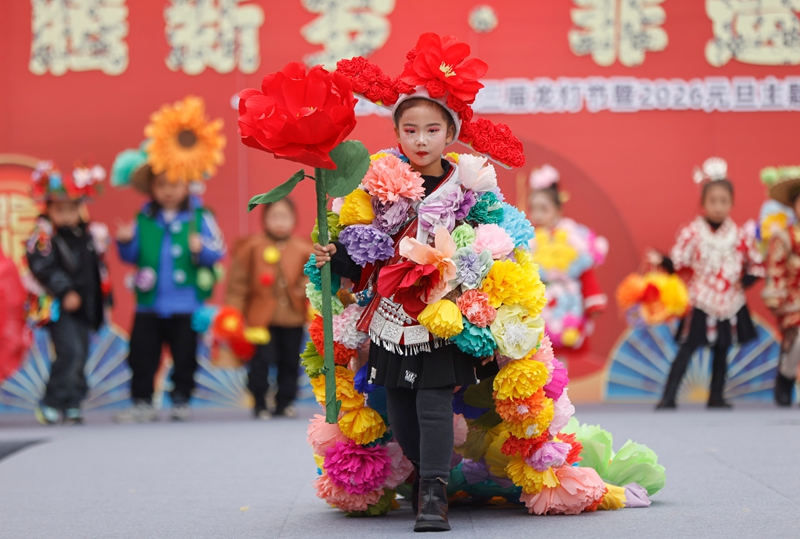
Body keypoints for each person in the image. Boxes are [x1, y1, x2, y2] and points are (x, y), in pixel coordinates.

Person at [311, 34, 530, 531]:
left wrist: (484, 276)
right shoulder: (376, 180)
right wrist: (335, 253)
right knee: (400, 403)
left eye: (433, 129)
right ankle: (424, 474)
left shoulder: (469, 183)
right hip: (391, 313)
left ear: (450, 134)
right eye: (411, 129)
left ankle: (434, 493)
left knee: (433, 400)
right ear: (397, 131)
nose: (422, 139)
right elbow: (359, 244)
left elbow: (496, 238)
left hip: (444, 309)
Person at [111, 96, 226, 422]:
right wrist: (126, 243)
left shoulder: (201, 217)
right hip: (149, 303)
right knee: (142, 355)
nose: (168, 190)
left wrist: (198, 249)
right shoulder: (143, 218)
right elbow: (133, 257)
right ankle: (141, 401)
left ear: (186, 184)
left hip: (186, 302)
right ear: (151, 188)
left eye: (174, 183)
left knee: (185, 355)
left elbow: (218, 252)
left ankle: (181, 398)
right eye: (161, 185)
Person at [651, 158, 763, 410]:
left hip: (730, 301)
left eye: (724, 201)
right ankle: (668, 396)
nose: (718, 206)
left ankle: (716, 396)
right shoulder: (692, 232)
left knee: (723, 348)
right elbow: (679, 262)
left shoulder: (740, 235)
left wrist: (745, 281)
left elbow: (756, 263)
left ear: (731, 203)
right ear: (703, 203)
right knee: (688, 347)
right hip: (700, 298)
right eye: (713, 201)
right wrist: (662, 260)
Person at [26, 161, 110, 425]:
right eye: (59, 209)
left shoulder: (87, 236)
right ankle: (51, 401)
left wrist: (103, 300)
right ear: (48, 209)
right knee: (69, 351)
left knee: (82, 353)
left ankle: (73, 401)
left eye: (71, 209)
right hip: (59, 307)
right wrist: (66, 292)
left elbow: (97, 272)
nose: (65, 214)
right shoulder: (42, 237)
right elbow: (44, 268)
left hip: (84, 307)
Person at [225, 199, 310, 419]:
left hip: (292, 318)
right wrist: (233, 313)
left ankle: (285, 402)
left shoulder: (303, 249)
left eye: (285, 217)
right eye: (274, 217)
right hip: (260, 320)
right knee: (260, 362)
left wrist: (303, 289)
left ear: (294, 220)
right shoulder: (251, 247)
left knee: (290, 362)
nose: (279, 222)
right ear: (264, 219)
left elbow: (311, 279)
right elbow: (238, 284)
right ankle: (260, 402)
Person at [527, 164, 608, 371]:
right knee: (539, 347)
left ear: (558, 208)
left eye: (544, 209)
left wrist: (593, 299)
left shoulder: (575, 237)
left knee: (561, 347)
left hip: (568, 298)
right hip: (541, 298)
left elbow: (585, 269)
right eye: (533, 208)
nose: (538, 215)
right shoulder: (530, 240)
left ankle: (559, 392)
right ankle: (542, 395)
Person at [761, 168, 800, 406]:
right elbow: (775, 270)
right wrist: (776, 297)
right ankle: (785, 378)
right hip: (793, 303)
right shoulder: (784, 238)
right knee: (797, 341)